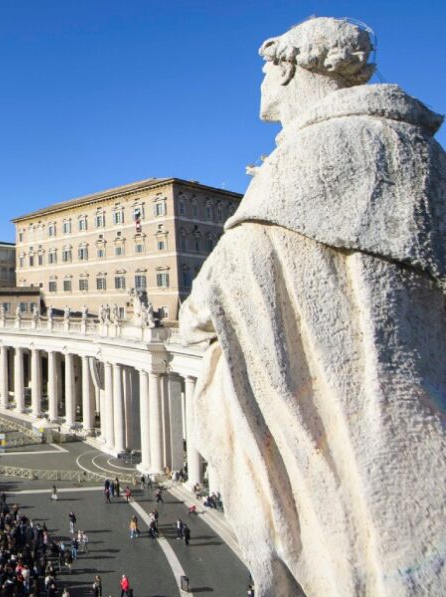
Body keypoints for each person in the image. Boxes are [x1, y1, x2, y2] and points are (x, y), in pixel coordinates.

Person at [179, 16, 446, 596]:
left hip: (348, 403)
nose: (260, 84)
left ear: (290, 67)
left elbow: (219, 289)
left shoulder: (315, 155)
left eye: (264, 70)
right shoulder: (419, 149)